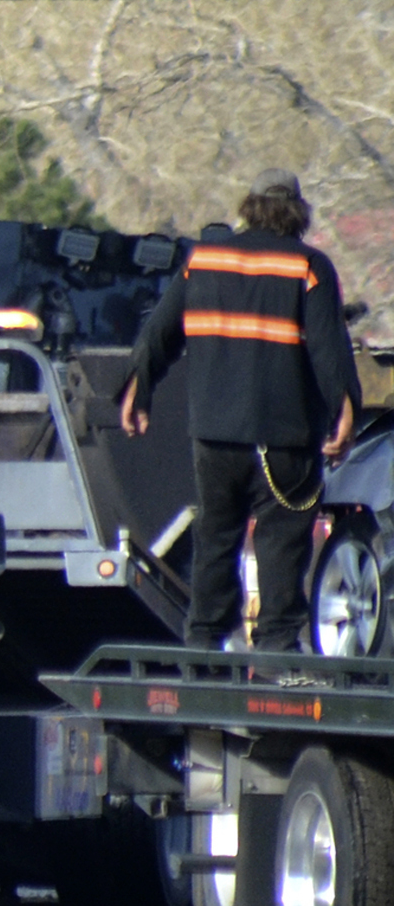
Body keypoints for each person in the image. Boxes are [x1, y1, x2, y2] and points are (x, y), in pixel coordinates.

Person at [122, 169, 361, 655]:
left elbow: (158, 335)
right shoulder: (309, 267)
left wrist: (138, 390)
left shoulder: (202, 260)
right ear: (298, 212)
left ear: (249, 205)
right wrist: (346, 412)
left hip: (214, 438)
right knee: (281, 541)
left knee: (215, 536)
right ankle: (274, 647)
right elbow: (330, 354)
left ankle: (204, 642)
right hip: (285, 441)